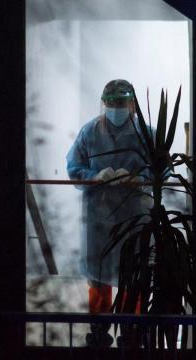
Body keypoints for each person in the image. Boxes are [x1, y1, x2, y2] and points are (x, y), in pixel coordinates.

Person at [66, 79, 150, 347]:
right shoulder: (89, 132)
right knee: (99, 279)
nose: (116, 107)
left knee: (131, 277)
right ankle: (99, 332)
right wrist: (95, 176)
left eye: (121, 102)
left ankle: (130, 332)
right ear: (104, 103)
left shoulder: (147, 133)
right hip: (99, 219)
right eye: (111, 102)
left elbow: (164, 170)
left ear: (132, 104)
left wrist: (139, 178)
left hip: (134, 216)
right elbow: (74, 167)